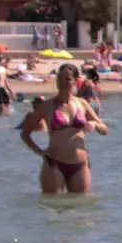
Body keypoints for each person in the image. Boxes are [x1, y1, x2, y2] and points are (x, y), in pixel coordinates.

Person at [19, 63, 108, 194]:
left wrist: (94, 125)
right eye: (59, 78)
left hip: (80, 164)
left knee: (80, 207)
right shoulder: (46, 106)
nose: (61, 82)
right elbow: (25, 133)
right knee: (53, 208)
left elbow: (104, 129)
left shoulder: (82, 103)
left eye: (67, 79)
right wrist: (39, 152)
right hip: (54, 163)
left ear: (75, 81)